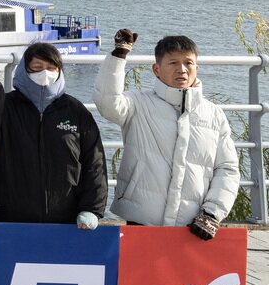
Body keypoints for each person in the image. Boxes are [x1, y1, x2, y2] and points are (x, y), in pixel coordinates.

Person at [94, 30, 240, 238]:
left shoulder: (214, 114)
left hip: (195, 224)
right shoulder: (137, 103)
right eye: (173, 63)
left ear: (197, 68)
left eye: (188, 63)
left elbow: (227, 168)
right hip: (142, 218)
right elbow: (107, 102)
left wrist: (212, 213)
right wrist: (118, 56)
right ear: (156, 69)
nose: (182, 69)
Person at [0, 42, 107, 227]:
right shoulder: (6, 105)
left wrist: (91, 209)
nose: (45, 73)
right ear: (25, 69)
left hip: (65, 221)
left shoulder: (75, 110)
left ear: (59, 70)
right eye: (37, 67)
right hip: (8, 218)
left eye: (51, 67)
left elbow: (94, 162)